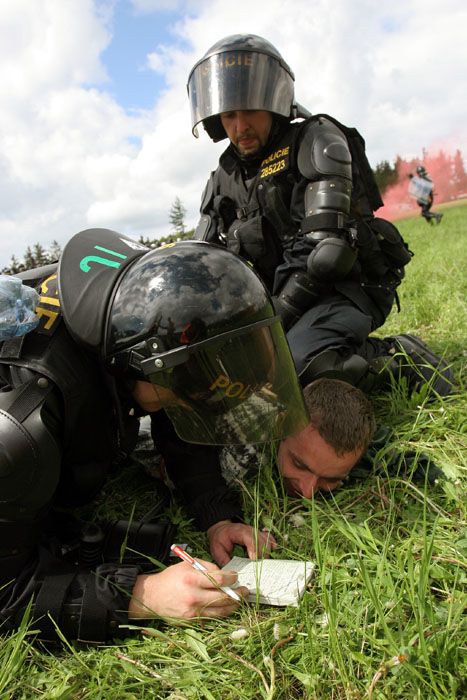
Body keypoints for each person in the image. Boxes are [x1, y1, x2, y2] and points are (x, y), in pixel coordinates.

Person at [0, 227, 310, 643]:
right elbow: (6, 591)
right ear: (137, 367)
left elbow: (177, 412)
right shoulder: (21, 430)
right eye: (192, 387)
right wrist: (140, 596)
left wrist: (215, 514)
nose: (200, 397)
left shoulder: (130, 316)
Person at [187, 34, 453, 396]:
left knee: (296, 369)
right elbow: (204, 261)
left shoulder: (315, 141)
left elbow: (327, 252)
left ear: (275, 103)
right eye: (230, 115)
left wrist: (272, 327)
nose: (240, 126)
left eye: (250, 110)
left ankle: (398, 357)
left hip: (345, 288)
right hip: (276, 306)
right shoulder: (223, 177)